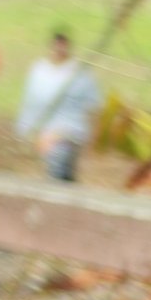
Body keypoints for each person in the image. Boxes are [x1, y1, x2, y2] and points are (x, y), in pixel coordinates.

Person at [16, 28, 101, 185]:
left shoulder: (80, 73)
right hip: (46, 133)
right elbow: (30, 103)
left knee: (59, 164)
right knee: (60, 173)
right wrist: (27, 132)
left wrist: (93, 138)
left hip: (71, 133)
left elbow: (93, 107)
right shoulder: (39, 71)